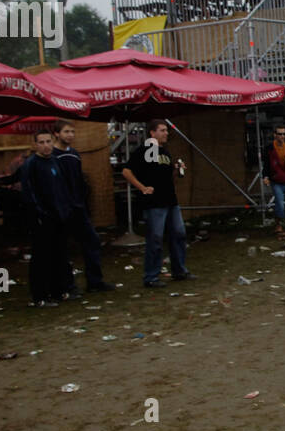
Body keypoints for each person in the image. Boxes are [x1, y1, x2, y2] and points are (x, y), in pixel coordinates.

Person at [123, 120, 194, 289]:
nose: (166, 133)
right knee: (155, 239)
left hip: (171, 201)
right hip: (154, 203)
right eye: (162, 130)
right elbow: (126, 171)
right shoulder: (143, 151)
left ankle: (179, 270)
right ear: (152, 133)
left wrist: (177, 168)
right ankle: (151, 276)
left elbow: (166, 175)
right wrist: (141, 188)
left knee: (179, 234)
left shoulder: (165, 153)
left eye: (166, 130)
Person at [53, 120, 114, 294]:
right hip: (63, 209)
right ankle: (67, 286)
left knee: (92, 241)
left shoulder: (74, 154)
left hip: (78, 207)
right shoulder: (54, 156)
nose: (70, 135)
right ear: (57, 134)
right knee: (63, 248)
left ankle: (95, 281)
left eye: (72, 132)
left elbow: (79, 180)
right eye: (66, 132)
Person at [20, 131, 74, 307]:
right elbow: (29, 193)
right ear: (35, 144)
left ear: (53, 142)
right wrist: (38, 214)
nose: (45, 145)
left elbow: (62, 188)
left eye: (48, 141)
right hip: (42, 218)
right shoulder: (31, 165)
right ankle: (40, 296)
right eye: (41, 142)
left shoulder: (55, 161)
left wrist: (66, 210)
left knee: (59, 255)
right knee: (41, 257)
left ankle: (58, 291)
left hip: (59, 216)